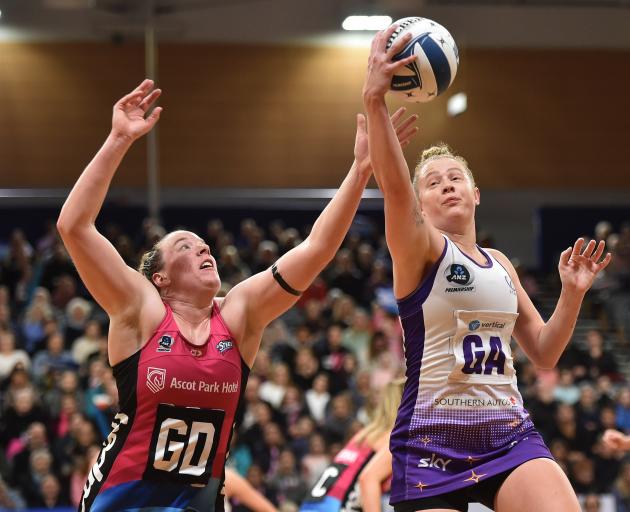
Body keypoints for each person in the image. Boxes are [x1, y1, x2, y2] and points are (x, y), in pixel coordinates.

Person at [57, 79, 418, 512]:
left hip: (198, 503)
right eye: (185, 247)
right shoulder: (143, 310)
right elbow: (74, 226)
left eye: (203, 244)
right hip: (122, 501)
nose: (203, 248)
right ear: (161, 279)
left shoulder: (239, 314)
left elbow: (316, 249)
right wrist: (118, 139)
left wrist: (360, 172)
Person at [361, 24, 613, 512]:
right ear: (419, 203)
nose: (448, 185)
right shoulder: (419, 250)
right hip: (432, 441)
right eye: (433, 182)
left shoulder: (499, 265)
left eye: (457, 178)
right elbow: (394, 189)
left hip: (508, 435)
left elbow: (543, 352)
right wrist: (374, 102)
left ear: (476, 195)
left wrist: (572, 293)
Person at [299, 379, 404, 512]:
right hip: (336, 505)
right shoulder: (394, 437)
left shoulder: (364, 434)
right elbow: (368, 480)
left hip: (313, 504)